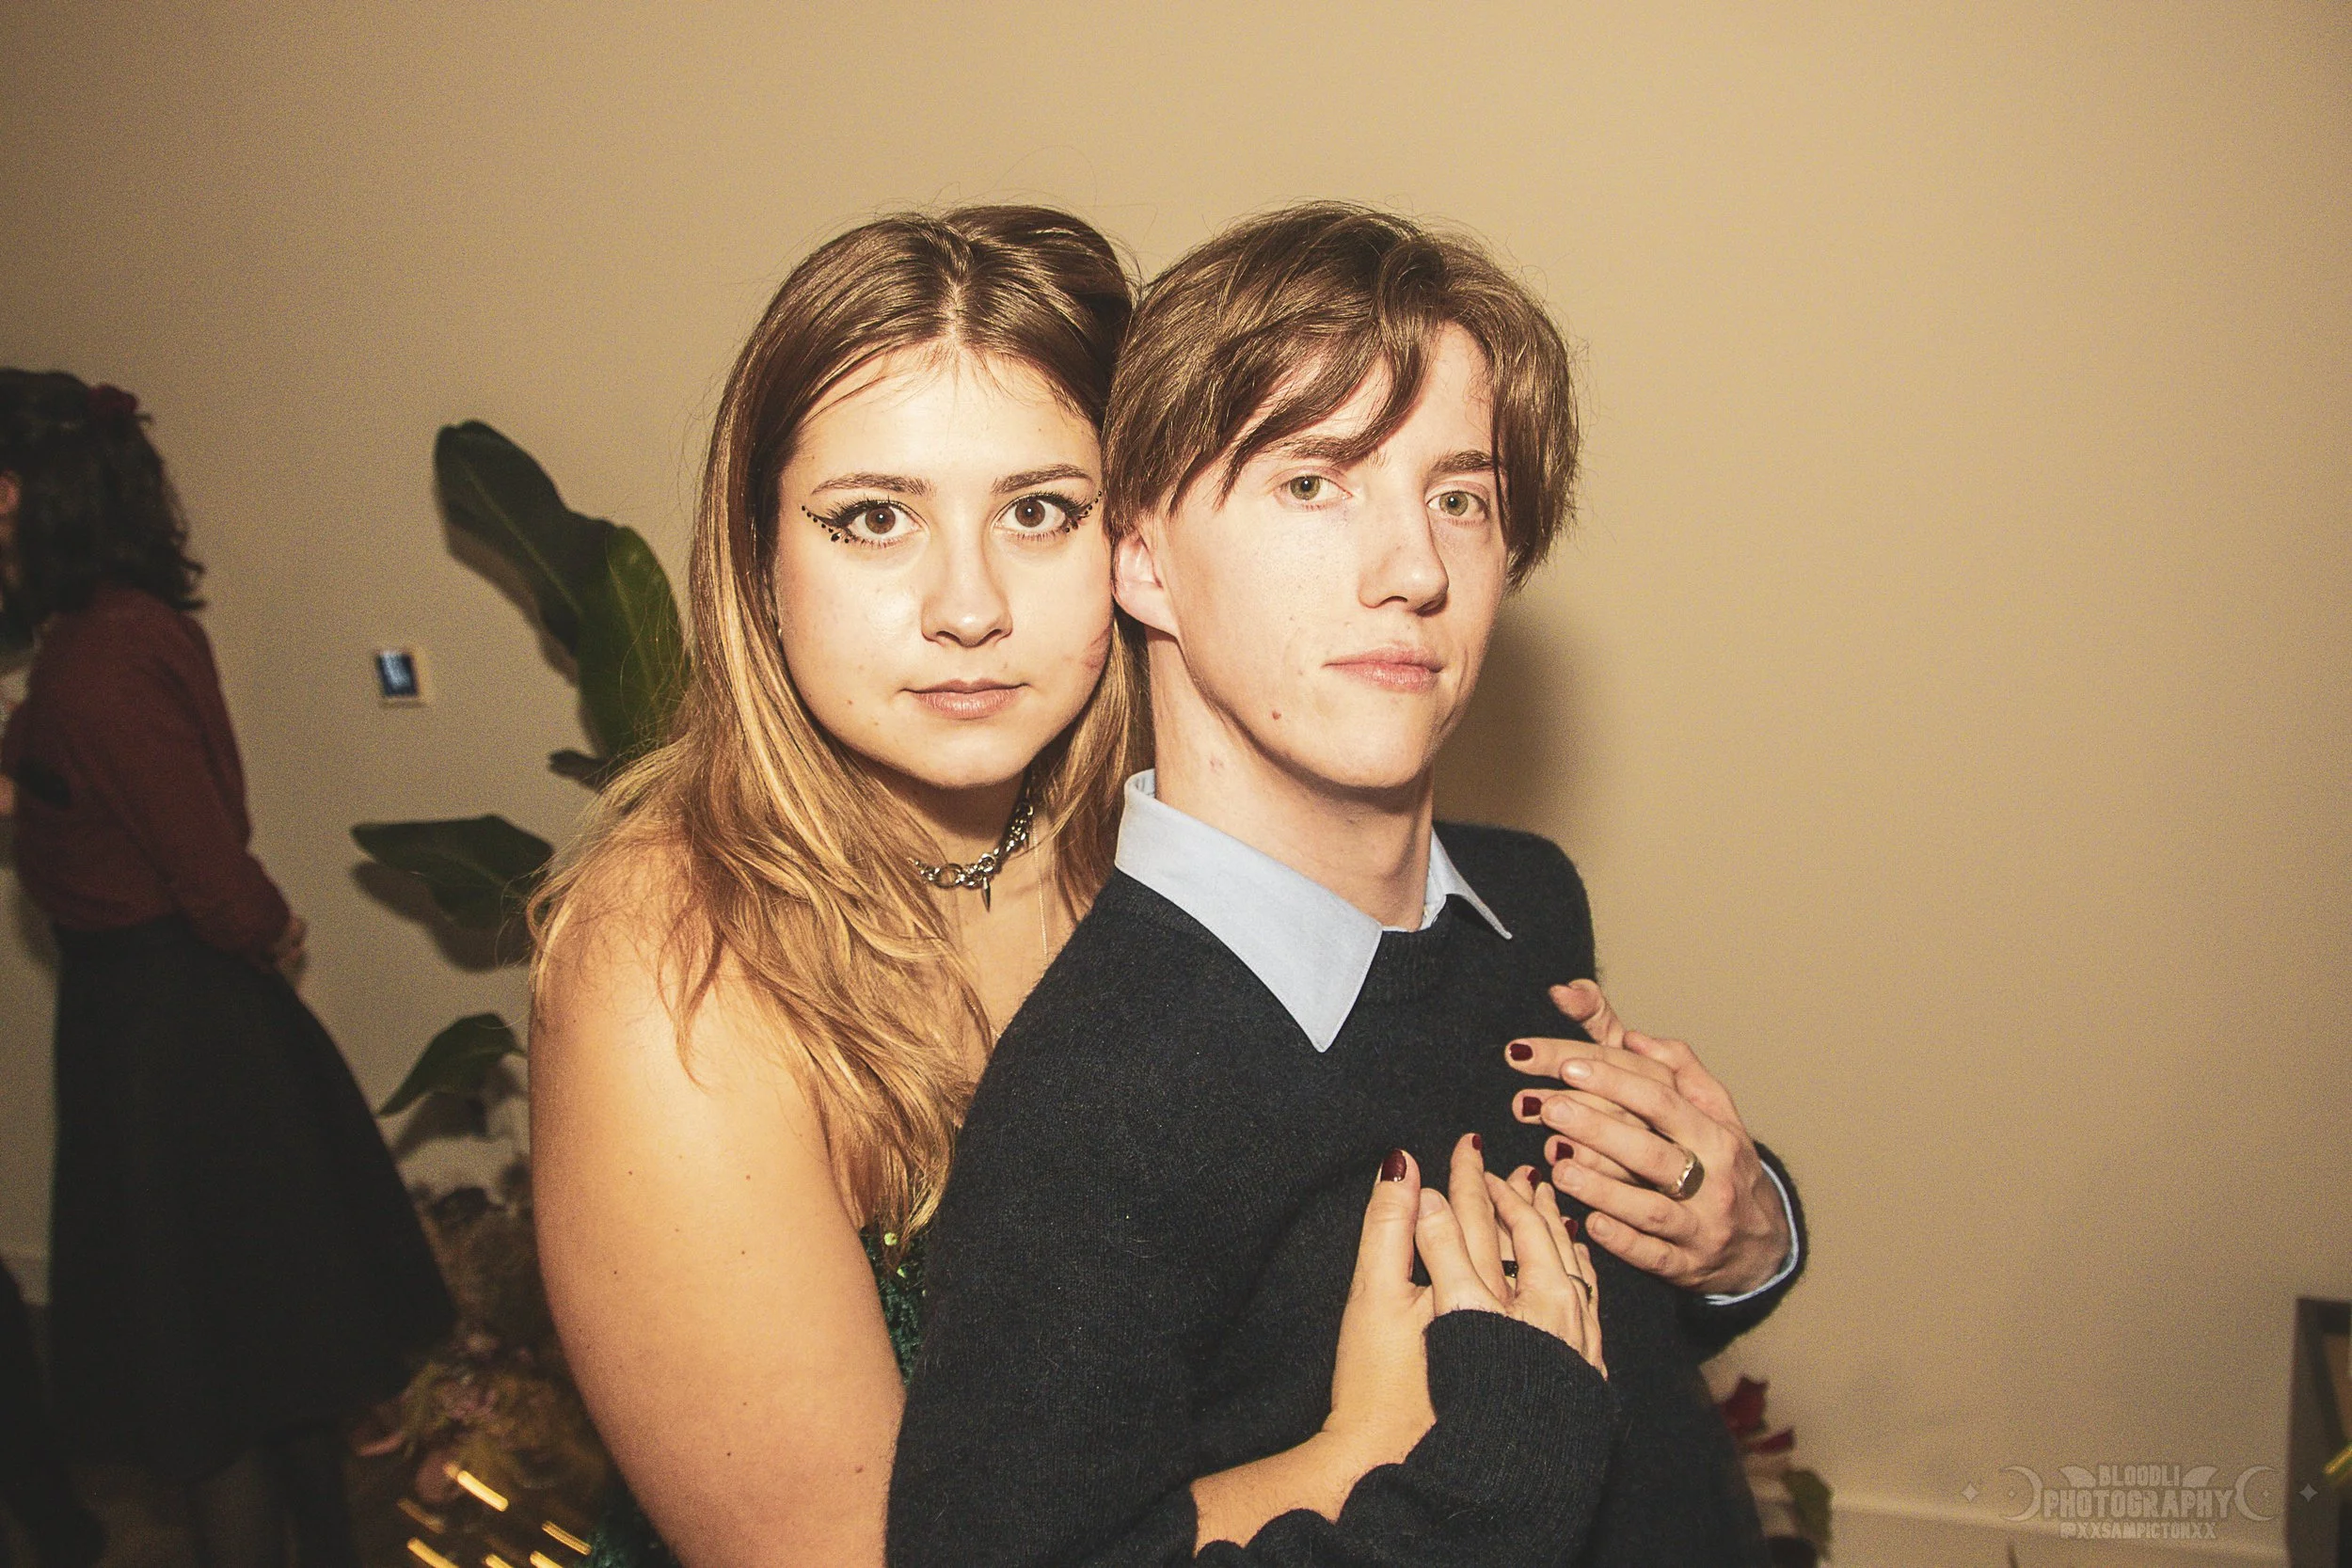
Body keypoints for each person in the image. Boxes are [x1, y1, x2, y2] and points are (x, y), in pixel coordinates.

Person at [531, 205, 1594, 1568]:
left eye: (1040, 511)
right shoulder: (667, 969)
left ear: (1141, 539)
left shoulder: (1185, 822)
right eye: (871, 520)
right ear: (757, 563)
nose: (966, 604)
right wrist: (1355, 1455)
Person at [886, 204, 1807, 1567]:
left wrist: (1741, 1234)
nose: (1415, 568)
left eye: (1459, 496)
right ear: (1141, 558)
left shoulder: (1524, 902)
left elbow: (1581, 1338)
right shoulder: (1097, 1099)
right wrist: (1487, 1476)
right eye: (1314, 482)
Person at [0, 372, 455, 1568]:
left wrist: (265, 928)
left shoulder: (96, 661)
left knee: (210, 1389)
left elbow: (211, 870)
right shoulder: (129, 631)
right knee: (274, 1355)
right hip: (187, 1025)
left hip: (167, 1043)